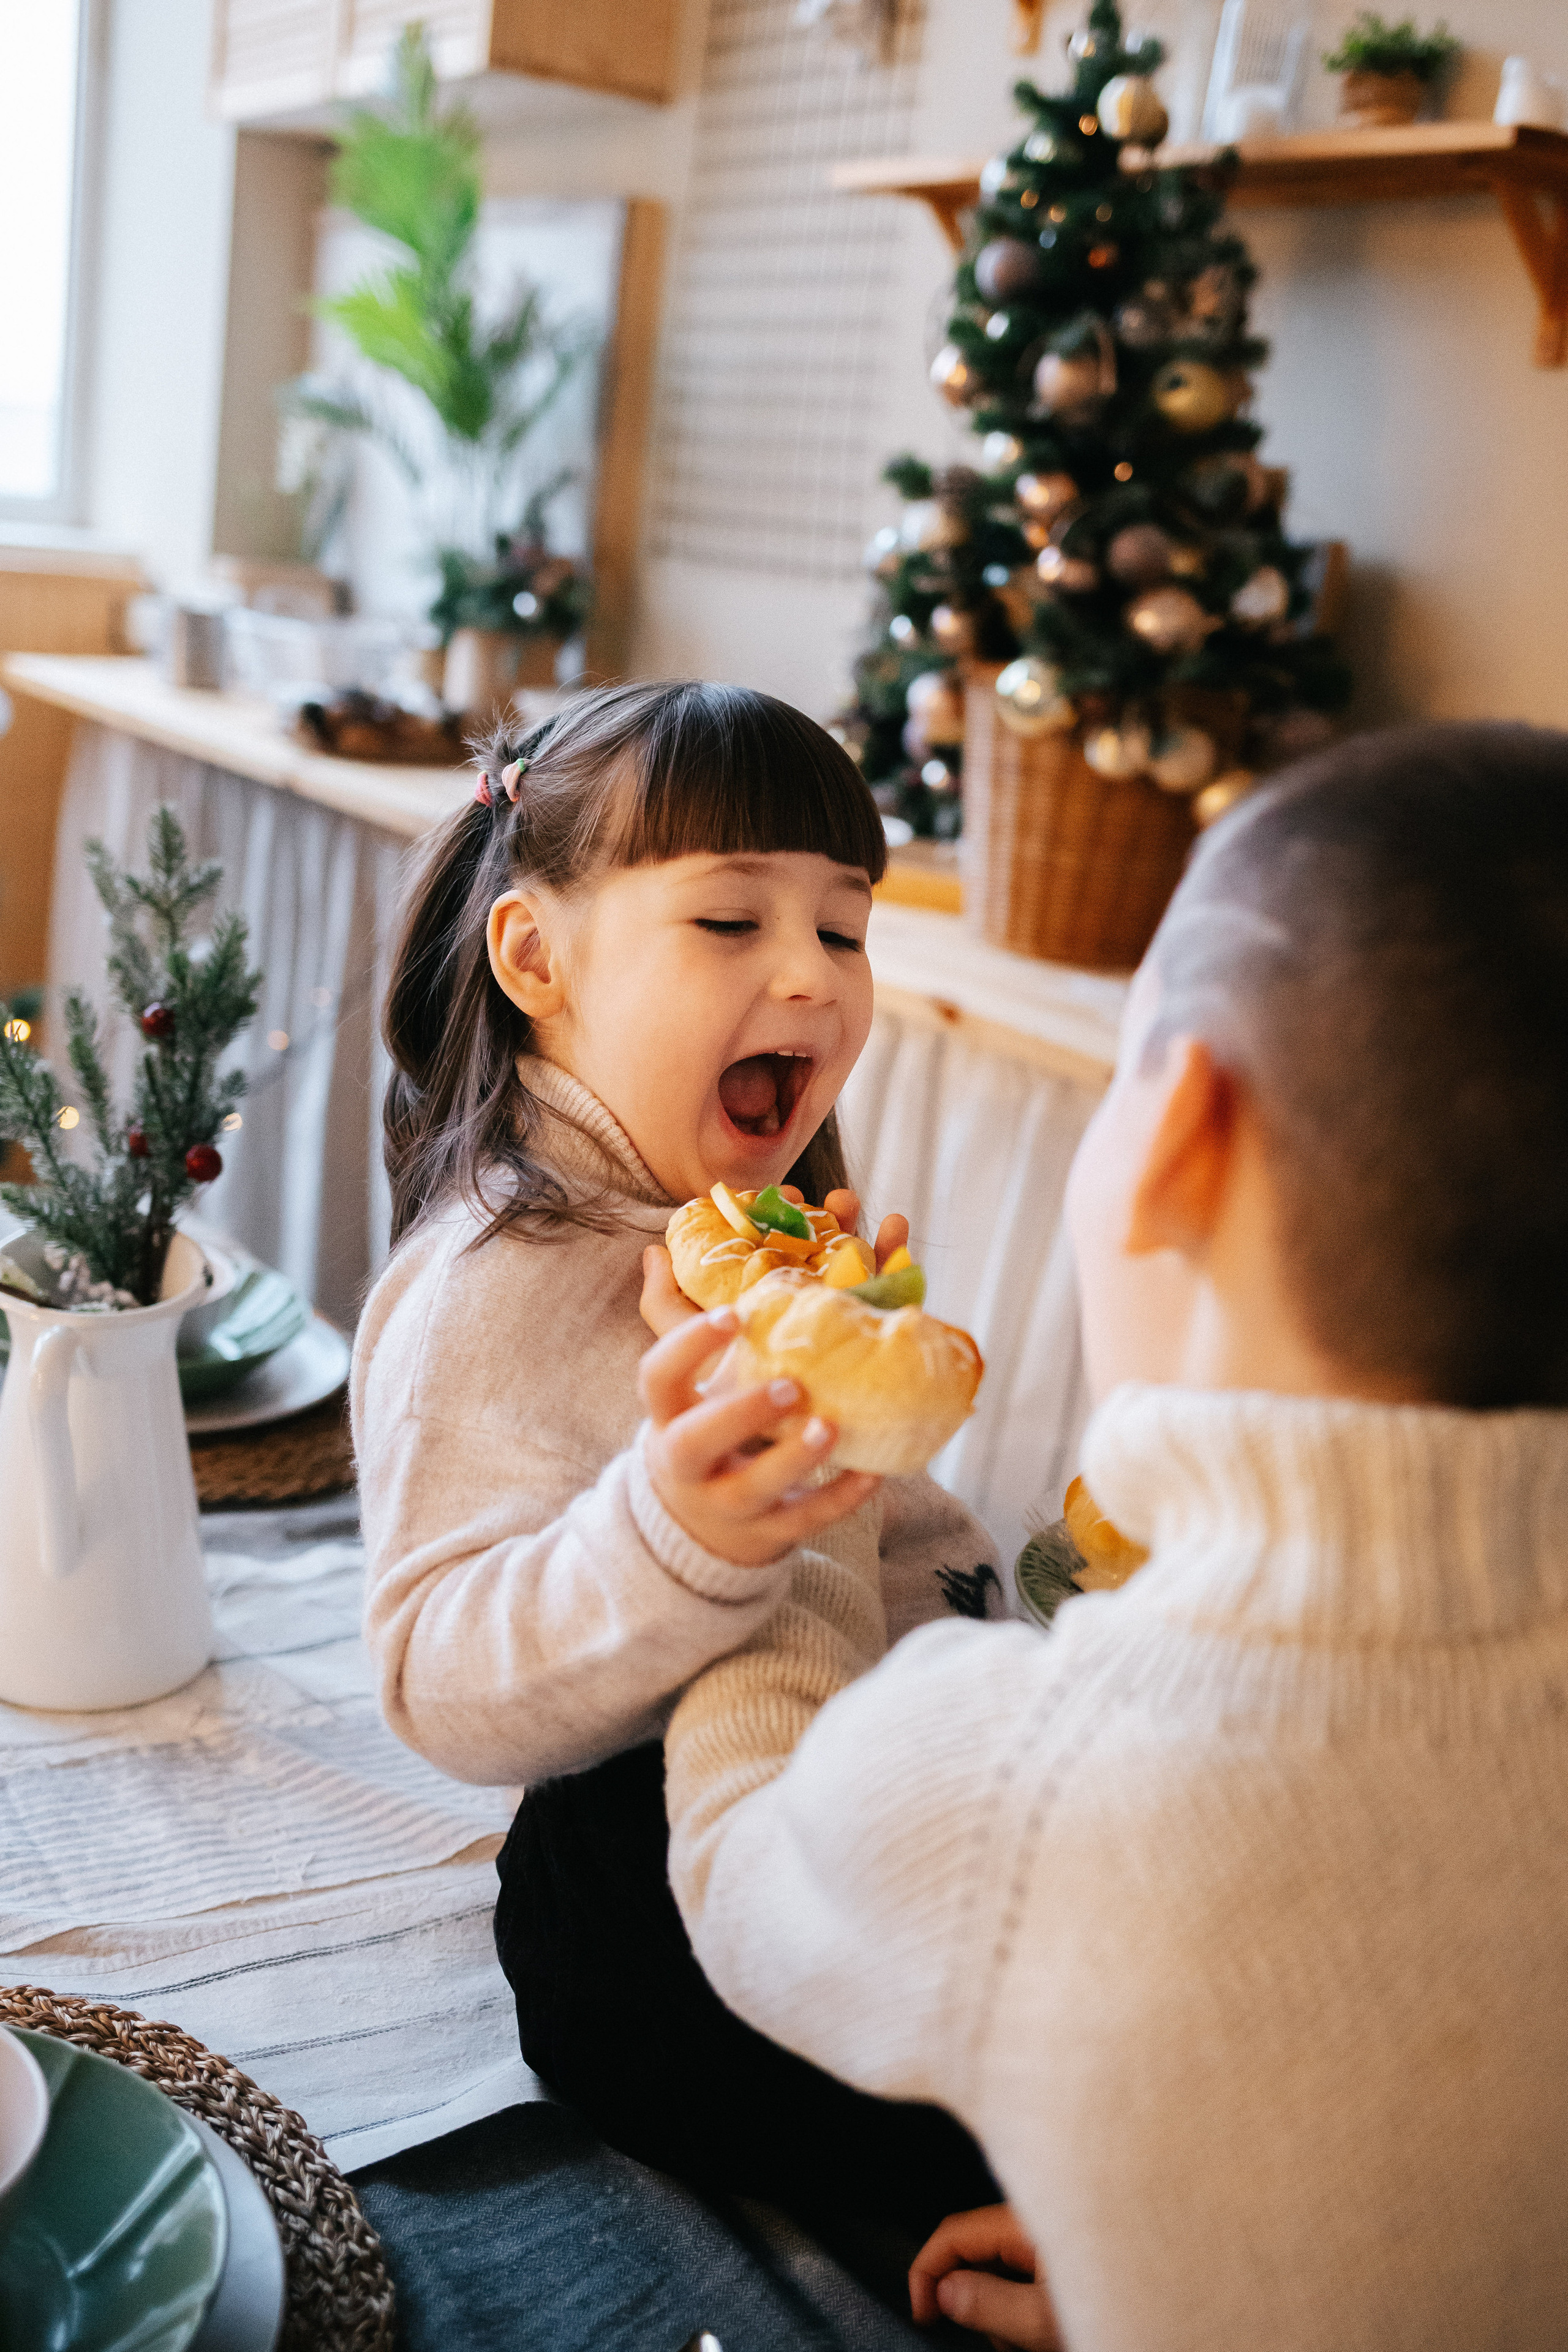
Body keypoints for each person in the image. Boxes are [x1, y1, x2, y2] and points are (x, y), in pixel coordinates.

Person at [660, 722, 1568, 2350]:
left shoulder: (1020, 1782)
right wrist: (1210, 2236)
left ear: (1180, 1139)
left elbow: (740, 1867)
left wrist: (779, 1522)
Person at [351, 679, 1000, 2235]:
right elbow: (432, 1675)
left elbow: (878, 1535)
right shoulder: (495, 1279)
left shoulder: (748, 1243)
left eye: (843, 931)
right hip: (646, 1901)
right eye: (729, 924)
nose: (811, 976)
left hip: (843, 1777)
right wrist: (675, 1522)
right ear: (534, 958)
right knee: (989, 2116)